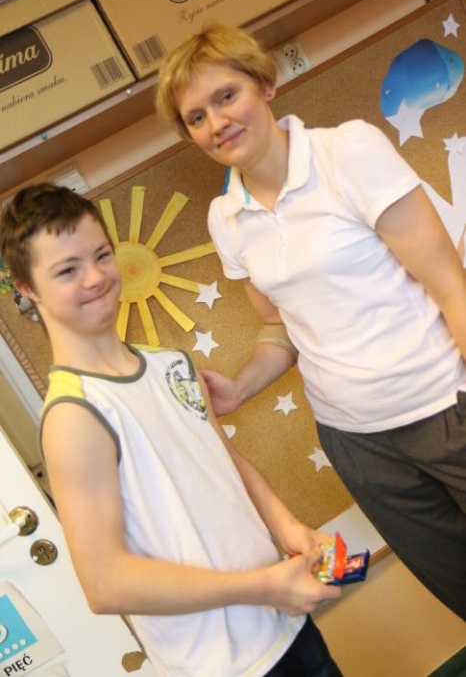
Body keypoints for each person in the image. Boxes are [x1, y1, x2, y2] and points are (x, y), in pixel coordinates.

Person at [156, 23, 466, 621]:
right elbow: (283, 329)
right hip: (358, 443)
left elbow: (450, 284)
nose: (216, 123)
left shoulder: (346, 152)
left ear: (265, 85)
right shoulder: (227, 219)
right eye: (195, 117)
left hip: (444, 404)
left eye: (226, 96)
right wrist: (241, 386)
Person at [0, 182, 344, 676]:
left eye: (101, 255)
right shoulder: (75, 415)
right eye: (67, 270)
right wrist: (263, 586)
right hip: (218, 665)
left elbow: (228, 464)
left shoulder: (174, 365)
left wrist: (291, 531)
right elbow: (106, 584)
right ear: (28, 288)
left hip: (286, 627)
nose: (95, 277)